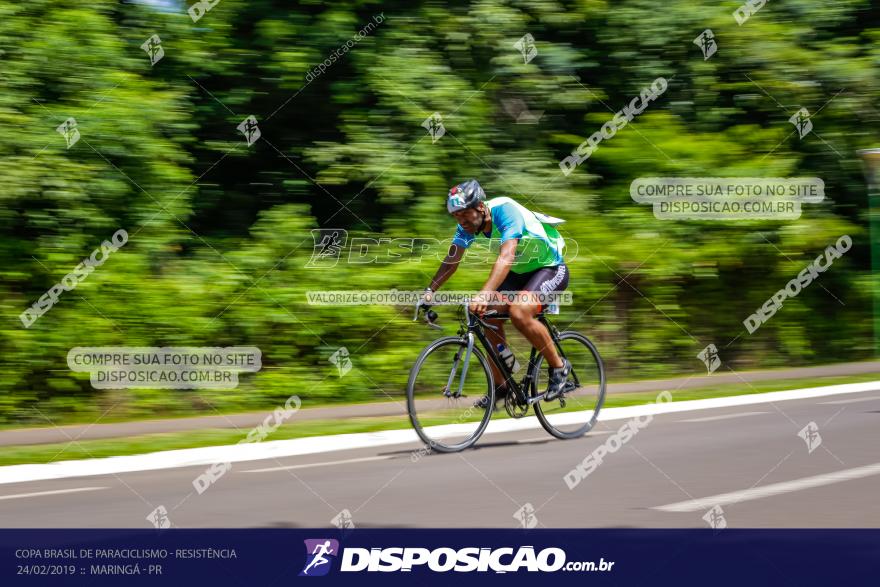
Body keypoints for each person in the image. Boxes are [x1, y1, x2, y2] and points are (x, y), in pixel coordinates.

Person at [418, 179, 571, 408]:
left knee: (519, 313)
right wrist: (429, 291)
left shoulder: (505, 210)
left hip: (549, 269)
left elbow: (507, 256)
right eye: (456, 217)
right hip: (518, 274)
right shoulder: (468, 226)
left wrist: (484, 293)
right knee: (484, 314)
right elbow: (452, 261)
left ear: (480, 207)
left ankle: (559, 367)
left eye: (464, 214)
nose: (461, 221)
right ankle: (502, 387)